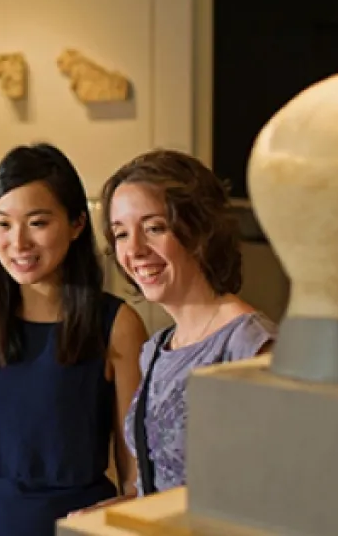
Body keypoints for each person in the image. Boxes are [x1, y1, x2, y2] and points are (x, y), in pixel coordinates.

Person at [0, 143, 147, 536]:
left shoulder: (117, 325)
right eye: (2, 223)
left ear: (77, 224)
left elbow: (134, 472)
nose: (18, 242)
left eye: (38, 222)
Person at [100, 149, 277, 499]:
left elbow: (276, 489)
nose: (134, 249)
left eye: (154, 228)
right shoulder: (156, 350)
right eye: (121, 234)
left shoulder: (250, 346)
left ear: (199, 232)